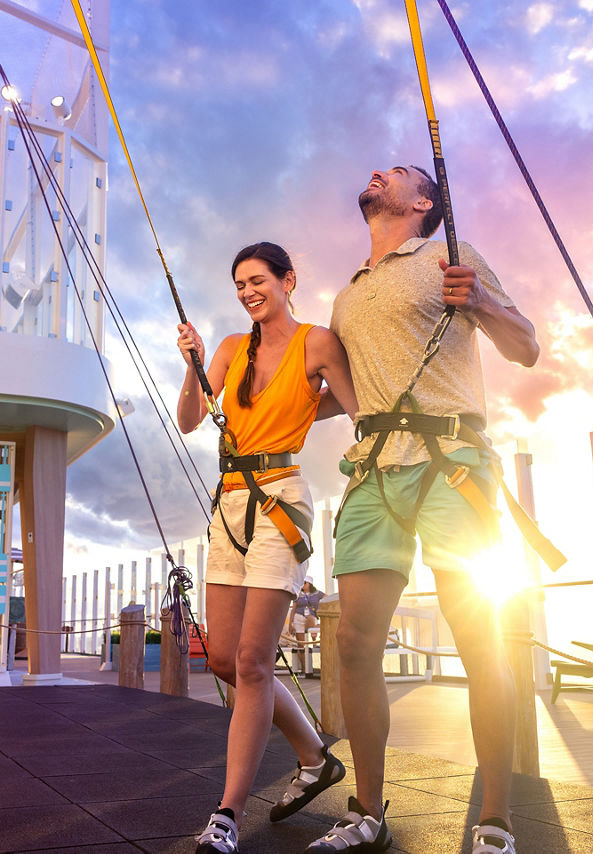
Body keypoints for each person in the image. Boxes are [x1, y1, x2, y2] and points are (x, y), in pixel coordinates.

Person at [305, 166, 540, 854]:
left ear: (421, 202)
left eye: (399, 173)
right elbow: (336, 393)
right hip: (374, 471)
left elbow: (526, 347)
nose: (378, 172)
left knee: (476, 635)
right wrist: (258, 411)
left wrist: (484, 305)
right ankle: (367, 814)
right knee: (352, 641)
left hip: (451, 466)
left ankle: (495, 819)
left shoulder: (449, 255)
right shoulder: (349, 294)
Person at [177, 241, 358, 854]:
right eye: (240, 285)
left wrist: (317, 412)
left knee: (253, 662)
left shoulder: (317, 343)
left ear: (288, 280)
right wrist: (194, 363)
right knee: (225, 660)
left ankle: (226, 815)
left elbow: (357, 406)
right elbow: (188, 420)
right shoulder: (230, 348)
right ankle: (315, 758)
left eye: (258, 280)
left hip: (282, 496)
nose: (248, 291)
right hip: (228, 500)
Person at [288, 580, 325, 675]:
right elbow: (293, 609)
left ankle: (314, 638)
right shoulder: (298, 593)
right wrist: (290, 624)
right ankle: (305, 668)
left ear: (310, 583)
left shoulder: (317, 593)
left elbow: (328, 598)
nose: (303, 584)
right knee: (301, 644)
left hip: (311, 617)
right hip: (298, 617)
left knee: (311, 619)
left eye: (305, 583)